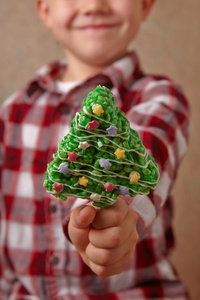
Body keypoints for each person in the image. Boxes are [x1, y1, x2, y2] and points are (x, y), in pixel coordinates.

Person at [0, 0, 191, 299]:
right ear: (45, 10)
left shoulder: (161, 97)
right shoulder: (11, 112)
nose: (93, 5)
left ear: (145, 5)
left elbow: (149, 148)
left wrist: (117, 218)